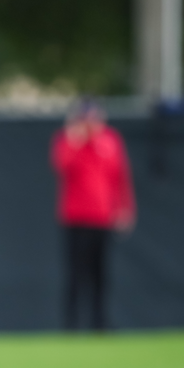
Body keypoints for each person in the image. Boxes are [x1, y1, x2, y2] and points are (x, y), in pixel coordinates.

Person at [50, 98, 136, 332]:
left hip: (103, 218)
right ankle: (71, 324)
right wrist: (76, 140)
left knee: (101, 274)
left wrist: (125, 208)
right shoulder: (69, 140)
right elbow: (61, 165)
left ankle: (100, 323)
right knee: (76, 274)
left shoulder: (111, 139)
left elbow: (121, 176)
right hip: (76, 218)